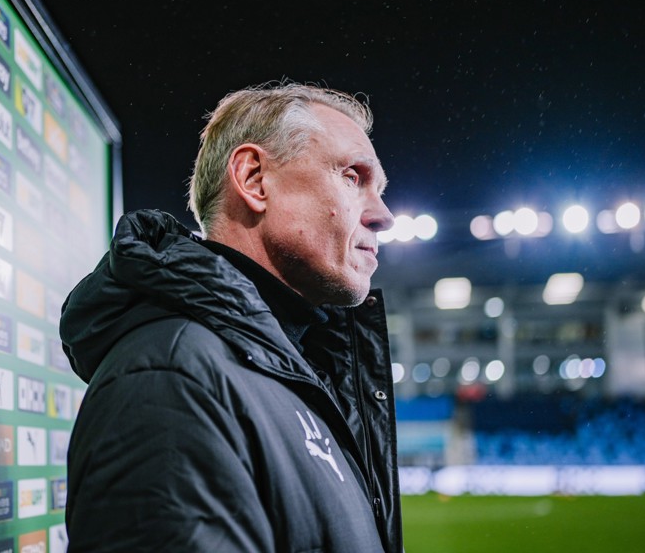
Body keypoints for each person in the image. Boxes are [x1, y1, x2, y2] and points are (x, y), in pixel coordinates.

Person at [60, 82, 401, 552]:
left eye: (379, 189)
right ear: (255, 178)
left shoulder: (283, 372)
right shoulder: (172, 380)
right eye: (352, 176)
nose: (383, 215)